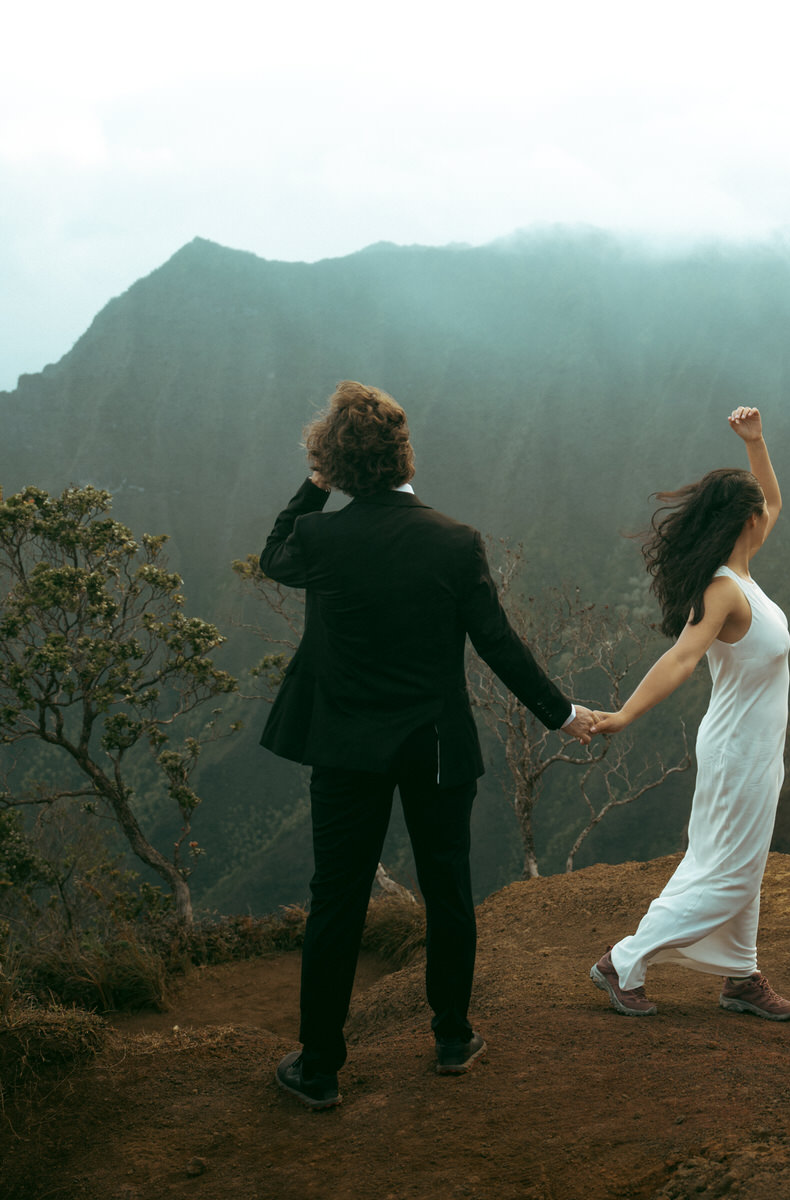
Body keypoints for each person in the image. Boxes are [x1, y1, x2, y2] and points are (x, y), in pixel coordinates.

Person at [261, 381, 595, 1110]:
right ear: (406, 454)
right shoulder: (453, 541)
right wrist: (561, 713)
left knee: (336, 899)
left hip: (345, 750)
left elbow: (273, 555)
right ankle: (451, 1037)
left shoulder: (320, 539)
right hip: (434, 748)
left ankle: (319, 1067)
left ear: (335, 463)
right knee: (447, 887)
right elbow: (498, 644)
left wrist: (314, 488)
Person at [586, 405, 790, 1021]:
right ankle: (622, 961)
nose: (770, 514)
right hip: (737, 751)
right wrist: (624, 715)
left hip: (756, 750)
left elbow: (774, 501)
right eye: (761, 510)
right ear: (747, 521)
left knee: (742, 861)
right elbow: (680, 660)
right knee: (727, 871)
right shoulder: (723, 589)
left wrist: (757, 443)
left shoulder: (743, 575)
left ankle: (740, 975)